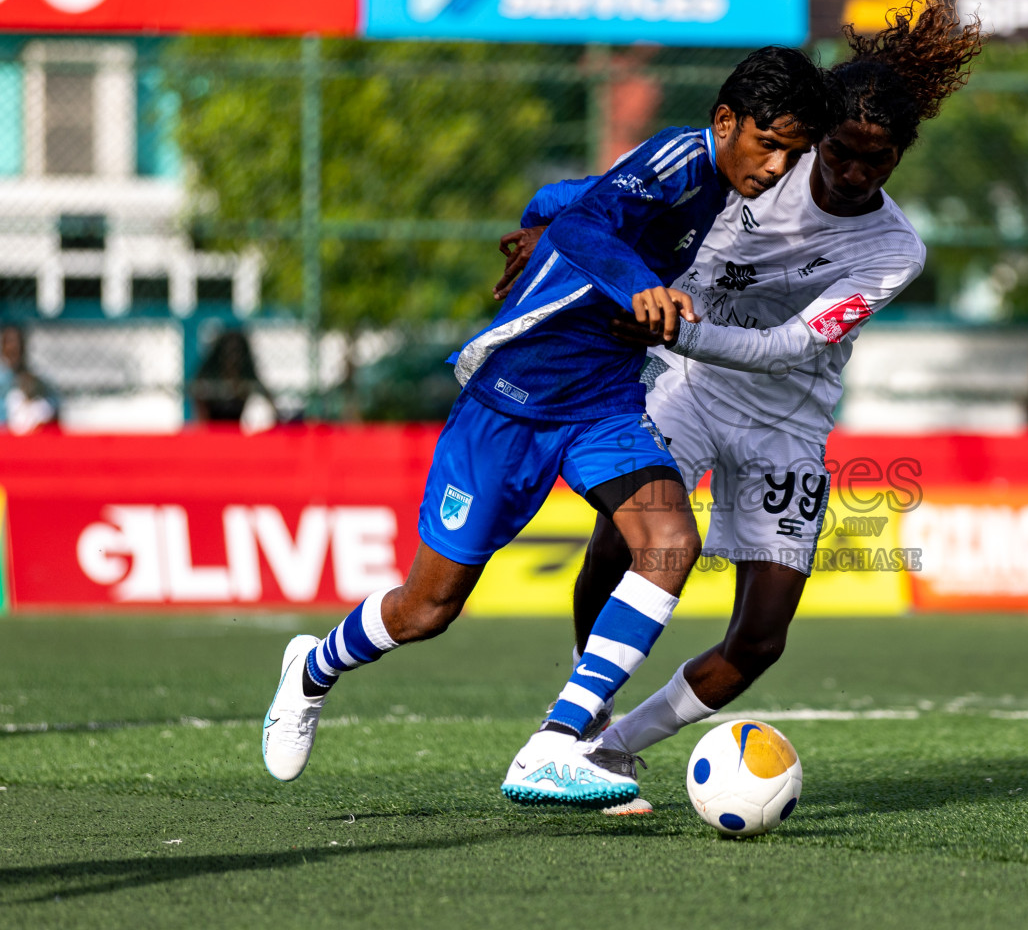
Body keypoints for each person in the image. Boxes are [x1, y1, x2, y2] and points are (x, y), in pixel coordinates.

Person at [260, 47, 839, 810]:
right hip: (511, 403)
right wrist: (634, 281)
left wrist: (540, 221)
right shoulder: (678, 157)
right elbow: (593, 218)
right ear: (726, 121)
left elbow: (566, 198)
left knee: (670, 543)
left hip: (603, 404)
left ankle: (558, 742)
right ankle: (312, 669)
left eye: (793, 154)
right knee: (427, 608)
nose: (777, 166)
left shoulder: (732, 193)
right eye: (769, 144)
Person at [496, 0, 985, 814]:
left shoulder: (895, 250)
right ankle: (580, 727)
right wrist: (546, 219)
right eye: (842, 151)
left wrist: (675, 328)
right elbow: (614, 199)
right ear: (817, 136)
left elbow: (789, 347)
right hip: (685, 390)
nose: (855, 172)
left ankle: (616, 748)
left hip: (788, 421)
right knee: (621, 545)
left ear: (900, 156)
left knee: (759, 639)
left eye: (879, 160)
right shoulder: (754, 168)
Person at [190, 327, 271, 424]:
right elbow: (197, 394)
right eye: (229, 352)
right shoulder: (208, 374)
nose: (233, 358)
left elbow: (266, 394)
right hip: (211, 423)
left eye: (237, 352)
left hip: (236, 424)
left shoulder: (247, 375)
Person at [0, 324, 59, 434]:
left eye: (17, 344)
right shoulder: (3, 379)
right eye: (9, 343)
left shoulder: (34, 377)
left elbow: (54, 403)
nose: (13, 347)